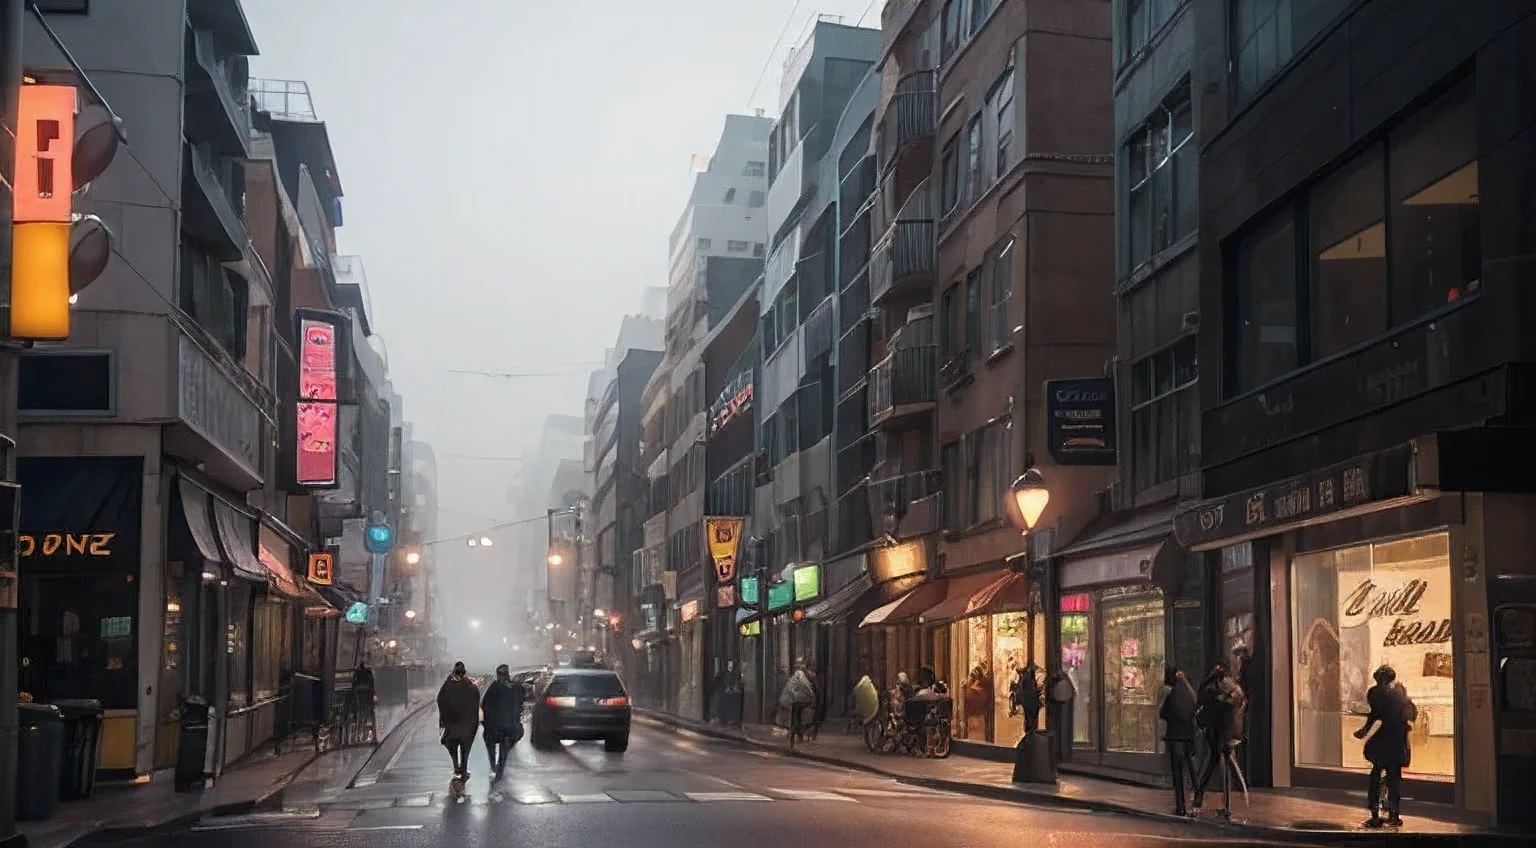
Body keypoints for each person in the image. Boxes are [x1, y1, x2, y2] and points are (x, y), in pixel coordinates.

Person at [1354, 665, 1416, 828]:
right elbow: (1410, 714)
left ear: (1378, 679)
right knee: (1394, 778)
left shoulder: (1375, 693)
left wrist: (1364, 732)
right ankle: (1394, 815)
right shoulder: (1400, 692)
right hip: (1397, 740)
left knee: (1376, 775)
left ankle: (1375, 815)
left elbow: (1375, 717)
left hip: (1381, 740)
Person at [1192, 661, 1247, 817]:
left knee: (1214, 763)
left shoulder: (1213, 689)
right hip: (1223, 732)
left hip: (1217, 732)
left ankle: (1202, 796)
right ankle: (1231, 800)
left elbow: (1202, 704)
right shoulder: (1231, 689)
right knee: (1223, 764)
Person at [1160, 666, 1199, 816]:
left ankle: (1181, 806)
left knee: (1178, 774)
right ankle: (1194, 802)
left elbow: (1163, 713)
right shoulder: (1189, 695)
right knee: (1190, 772)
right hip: (1188, 738)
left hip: (1175, 738)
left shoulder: (1171, 694)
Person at [437, 661, 481, 782]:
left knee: (452, 746)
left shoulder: (447, 685)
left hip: (451, 724)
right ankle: (464, 769)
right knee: (465, 748)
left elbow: (440, 700)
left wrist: (445, 716)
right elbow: (476, 701)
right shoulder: (470, 686)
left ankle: (456, 767)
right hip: (466, 724)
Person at [481, 664, 525, 782]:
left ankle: (493, 765)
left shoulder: (494, 687)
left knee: (489, 742)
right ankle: (499, 771)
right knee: (504, 749)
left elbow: (485, 704)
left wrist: (486, 722)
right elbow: (520, 706)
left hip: (494, 726)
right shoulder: (516, 688)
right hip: (510, 726)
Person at [1010, 665, 1043, 735]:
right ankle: (1031, 732)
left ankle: (1030, 733)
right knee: (1031, 719)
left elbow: (1023, 690)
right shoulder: (1027, 677)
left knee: (1030, 719)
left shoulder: (1025, 678)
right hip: (1030, 700)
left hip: (1028, 700)